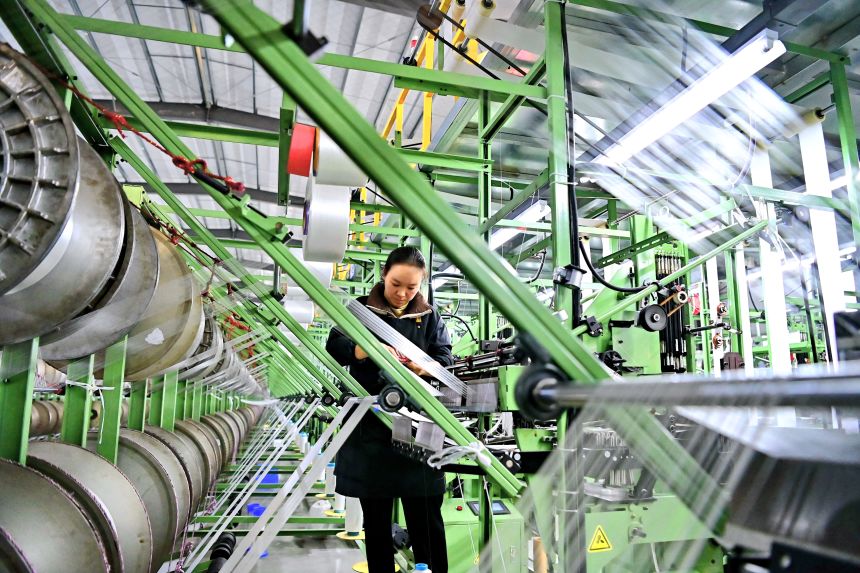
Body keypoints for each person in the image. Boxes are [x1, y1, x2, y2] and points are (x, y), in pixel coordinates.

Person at [326, 246, 452, 573]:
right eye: (397, 284)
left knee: (427, 522)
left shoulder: (430, 318)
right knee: (377, 524)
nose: (403, 294)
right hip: (372, 431)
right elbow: (334, 347)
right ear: (384, 274)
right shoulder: (360, 311)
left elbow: (445, 361)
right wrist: (366, 349)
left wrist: (424, 367)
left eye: (412, 287)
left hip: (418, 432)